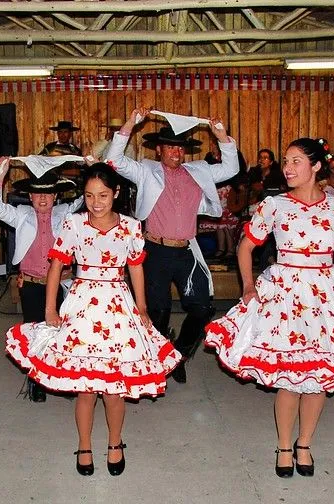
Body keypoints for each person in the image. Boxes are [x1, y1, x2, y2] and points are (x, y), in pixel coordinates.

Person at [205, 138, 334, 478]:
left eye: (296, 160)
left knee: (319, 375)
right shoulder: (275, 205)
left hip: (327, 292)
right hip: (285, 291)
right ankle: (283, 445)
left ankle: (305, 443)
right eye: (286, 160)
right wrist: (248, 286)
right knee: (290, 378)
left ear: (316, 167)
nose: (288, 167)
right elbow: (245, 246)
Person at [5, 163, 181, 477]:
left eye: (102, 195)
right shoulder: (73, 224)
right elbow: (56, 266)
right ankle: (84, 444)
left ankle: (115, 442)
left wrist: (142, 308)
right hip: (82, 304)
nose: (96, 202)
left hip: (117, 307)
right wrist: (49, 309)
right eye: (89, 195)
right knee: (85, 387)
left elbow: (136, 267)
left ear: (115, 193)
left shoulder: (130, 226)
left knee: (114, 387)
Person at [105, 108, 240, 383]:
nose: (175, 153)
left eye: (180, 148)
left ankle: (177, 356)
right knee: (157, 312)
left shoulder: (198, 171)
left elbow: (232, 168)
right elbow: (113, 159)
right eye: (169, 148)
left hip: (187, 250)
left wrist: (221, 135)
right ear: (159, 150)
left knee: (202, 307)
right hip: (155, 250)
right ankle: (159, 356)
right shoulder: (146, 171)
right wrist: (131, 122)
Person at [0, 159, 83, 402]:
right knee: (34, 329)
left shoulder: (66, 213)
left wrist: (89, 168)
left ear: (56, 196)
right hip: (31, 282)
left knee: (62, 331)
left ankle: (61, 377)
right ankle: (35, 379)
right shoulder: (21, 215)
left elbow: (86, 199)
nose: (43, 200)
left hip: (61, 283)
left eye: (48, 194)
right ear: (29, 196)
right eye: (37, 194)